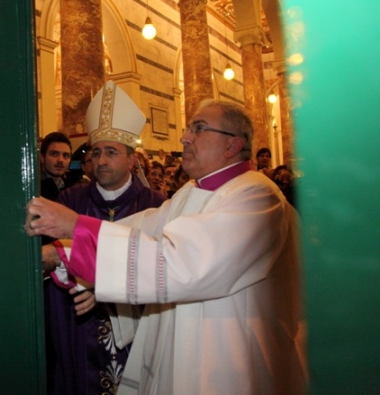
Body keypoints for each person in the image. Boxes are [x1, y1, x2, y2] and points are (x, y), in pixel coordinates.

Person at [26, 99, 306, 395]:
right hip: (185, 355)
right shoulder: (190, 192)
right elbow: (141, 230)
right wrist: (63, 253)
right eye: (188, 128)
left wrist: (76, 226)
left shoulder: (258, 198)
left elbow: (180, 264)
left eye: (198, 128)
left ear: (232, 144)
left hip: (231, 368)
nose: (184, 137)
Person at [43, 81, 166, 395]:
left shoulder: (155, 205)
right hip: (79, 326)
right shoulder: (69, 201)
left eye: (111, 152)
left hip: (138, 329)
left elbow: (163, 267)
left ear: (132, 159)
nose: (100, 160)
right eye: (96, 152)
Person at [39, 131, 72, 201]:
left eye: (66, 155)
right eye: (54, 154)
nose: (60, 160)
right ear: (42, 158)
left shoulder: (71, 188)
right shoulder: (35, 189)